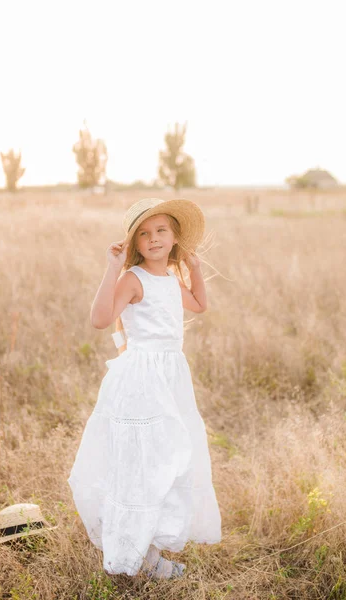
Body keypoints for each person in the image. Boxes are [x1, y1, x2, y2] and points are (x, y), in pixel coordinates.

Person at [67, 197, 222, 579]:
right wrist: (113, 268)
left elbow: (200, 304)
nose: (153, 239)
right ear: (134, 243)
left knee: (166, 460)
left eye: (161, 231)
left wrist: (194, 268)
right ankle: (139, 554)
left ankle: (149, 547)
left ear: (174, 238)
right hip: (141, 380)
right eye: (144, 233)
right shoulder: (133, 280)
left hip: (171, 379)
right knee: (142, 463)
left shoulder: (170, 278)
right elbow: (101, 319)